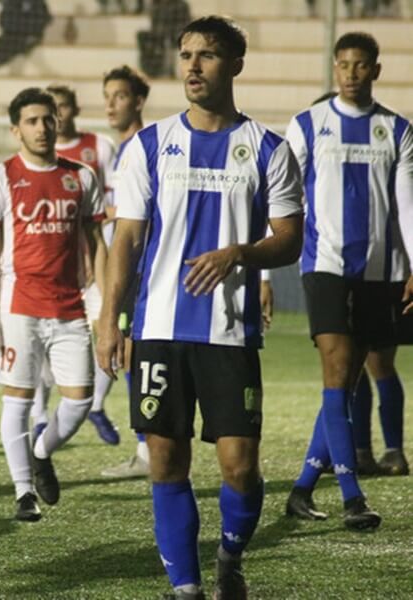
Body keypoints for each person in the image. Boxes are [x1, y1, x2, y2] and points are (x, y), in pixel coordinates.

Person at [96, 16, 304, 599]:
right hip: (159, 328)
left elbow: (289, 237)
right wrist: (112, 320)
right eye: (186, 54)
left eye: (207, 55)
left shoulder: (268, 150)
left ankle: (230, 556)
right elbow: (128, 240)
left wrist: (241, 253)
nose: (192, 65)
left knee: (239, 466)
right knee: (166, 461)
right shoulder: (148, 146)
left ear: (235, 64)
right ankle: (185, 588)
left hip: (230, 333)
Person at [284, 31, 412, 529]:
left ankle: (300, 489)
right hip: (326, 267)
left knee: (347, 379)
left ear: (376, 70)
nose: (352, 73)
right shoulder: (308, 125)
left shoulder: (396, 130)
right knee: (337, 374)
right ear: (334, 69)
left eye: (361, 65)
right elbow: (284, 196)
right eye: (344, 65)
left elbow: (406, 204)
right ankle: (352, 497)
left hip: (378, 272)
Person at [0, 87, 107, 522]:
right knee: (18, 398)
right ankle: (23, 492)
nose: (43, 127)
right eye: (32, 121)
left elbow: (97, 245)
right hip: (19, 305)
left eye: (48, 118)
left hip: (70, 306)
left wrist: (104, 306)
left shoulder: (81, 176)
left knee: (81, 400)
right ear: (16, 130)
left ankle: (40, 448)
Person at [29, 83, 118, 446]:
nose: (58, 115)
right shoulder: (34, 158)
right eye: (53, 109)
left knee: (109, 335)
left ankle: (95, 404)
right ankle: (38, 417)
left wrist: (102, 223)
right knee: (42, 344)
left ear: (75, 108)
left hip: (95, 265)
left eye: (63, 107)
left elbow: (117, 198)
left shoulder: (98, 148)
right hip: (55, 271)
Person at [94, 65, 154, 480]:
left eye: (119, 95)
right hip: (123, 265)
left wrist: (109, 213)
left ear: (137, 101)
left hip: (142, 267)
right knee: (130, 357)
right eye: (107, 96)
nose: (111, 104)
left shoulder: (145, 147)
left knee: (136, 355)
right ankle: (146, 449)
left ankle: (151, 452)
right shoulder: (115, 151)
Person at [0, 0, 50, 74]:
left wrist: (29, 30)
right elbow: (3, 20)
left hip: (30, 35)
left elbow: (44, 19)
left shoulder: (37, 3)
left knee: (12, 42)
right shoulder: (11, 2)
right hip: (12, 32)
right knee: (5, 40)